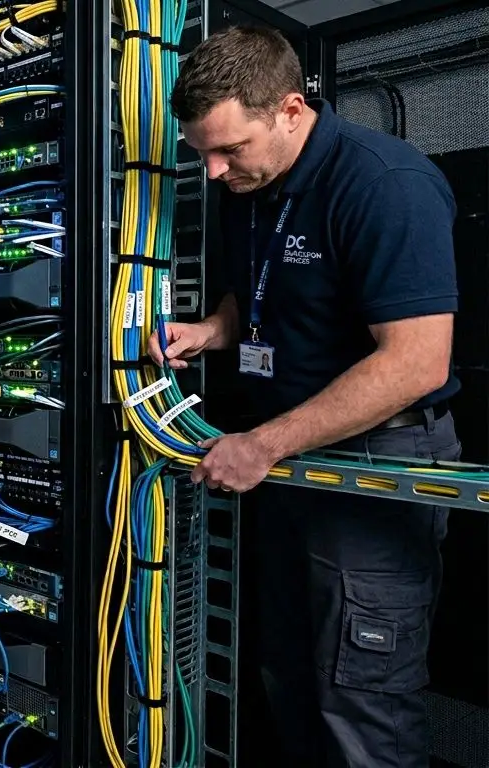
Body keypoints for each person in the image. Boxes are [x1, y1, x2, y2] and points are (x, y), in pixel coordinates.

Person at [149, 26, 460, 768]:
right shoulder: (255, 182)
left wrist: (262, 444)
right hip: (290, 459)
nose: (215, 170)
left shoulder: (384, 183)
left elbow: (415, 362)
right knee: (287, 674)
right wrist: (212, 330)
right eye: (202, 152)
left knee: (359, 696)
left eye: (230, 149)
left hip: (374, 462)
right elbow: (270, 297)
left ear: (290, 108)